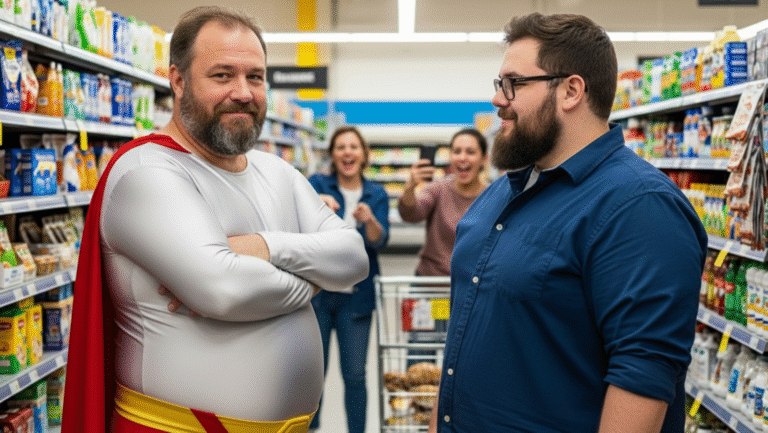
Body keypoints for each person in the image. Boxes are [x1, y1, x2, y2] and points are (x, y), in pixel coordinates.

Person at [61, 6, 369, 433]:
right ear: (179, 80)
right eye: (222, 76)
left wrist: (264, 248)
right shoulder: (147, 173)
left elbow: (354, 257)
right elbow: (225, 290)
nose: (243, 92)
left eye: (255, 77)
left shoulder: (276, 171)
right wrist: (318, 276)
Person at [429, 13, 707, 433]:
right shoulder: (500, 193)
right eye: (498, 85)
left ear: (571, 90)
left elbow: (642, 378)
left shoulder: (640, 209)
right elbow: (459, 347)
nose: (498, 100)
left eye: (514, 84)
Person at [306, 125, 390, 433]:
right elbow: (299, 227)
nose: (347, 152)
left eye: (354, 146)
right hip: (317, 294)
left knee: (355, 374)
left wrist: (370, 221)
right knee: (315, 373)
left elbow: (380, 241)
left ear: (364, 154)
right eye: (341, 147)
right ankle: (311, 428)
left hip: (357, 297)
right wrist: (318, 205)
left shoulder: (376, 193)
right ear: (332, 155)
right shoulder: (317, 184)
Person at [397, 128, 489, 277]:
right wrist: (409, 187)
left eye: (470, 152)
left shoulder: (493, 196)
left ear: (484, 159)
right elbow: (411, 214)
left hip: (472, 287)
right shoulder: (437, 189)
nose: (462, 157)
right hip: (433, 287)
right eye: (457, 151)